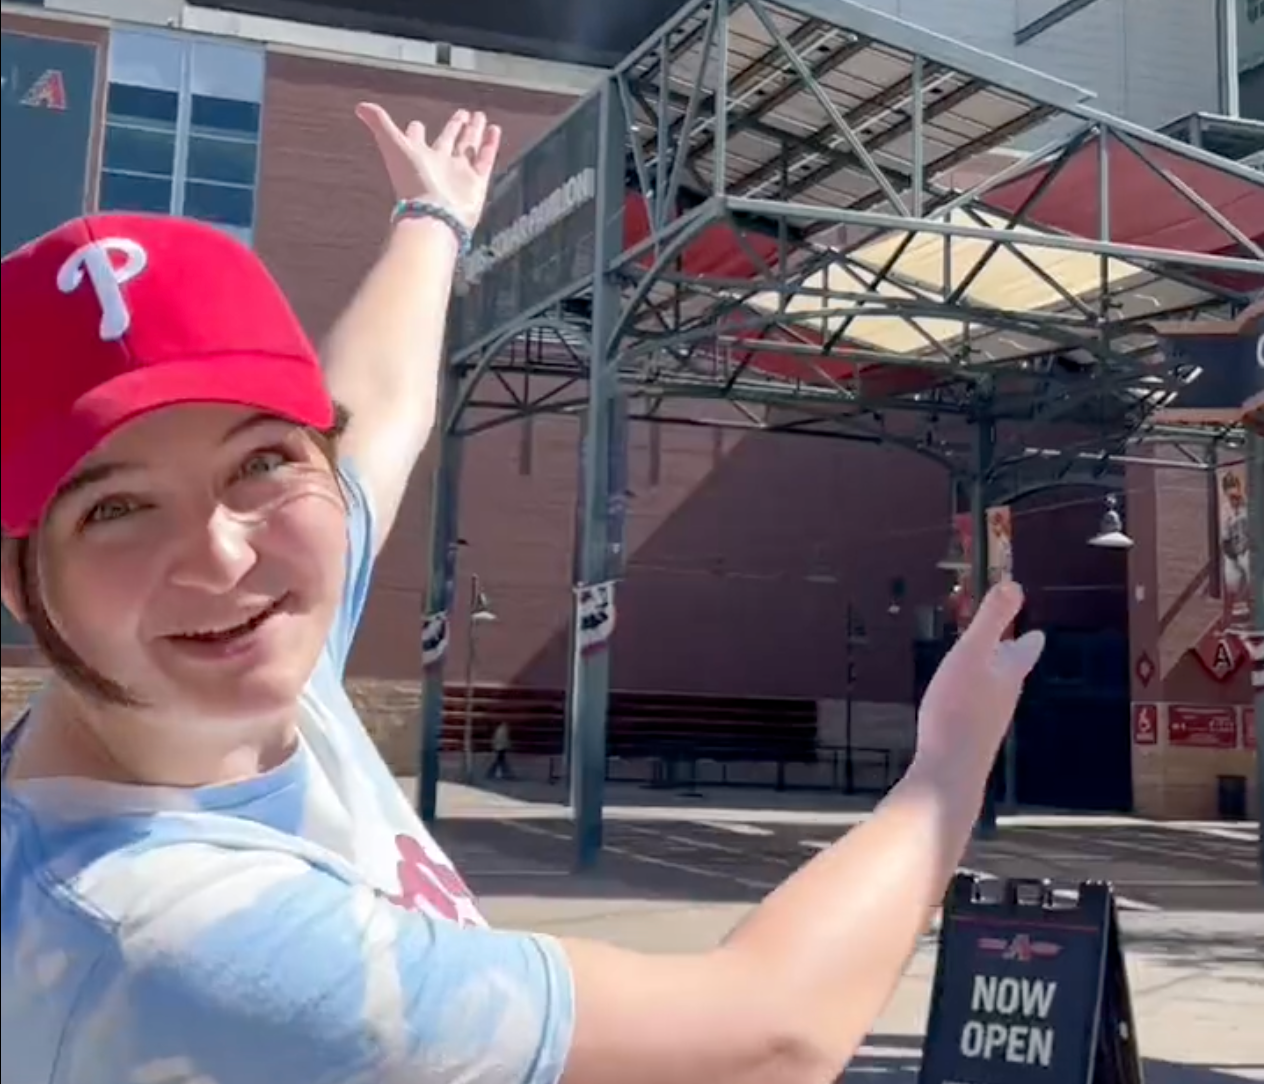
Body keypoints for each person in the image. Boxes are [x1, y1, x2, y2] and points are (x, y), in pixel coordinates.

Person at [0, 100, 1045, 1084]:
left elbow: (381, 397)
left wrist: (432, 218)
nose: (225, 557)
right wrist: (948, 766)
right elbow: (767, 1033)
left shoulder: (218, 667)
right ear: (15, 574)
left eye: (261, 462)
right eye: (116, 510)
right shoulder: (166, 937)